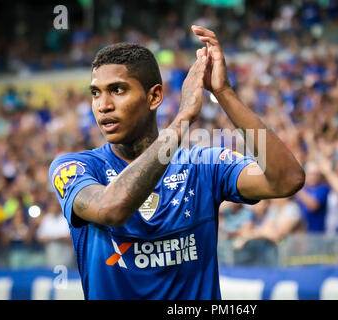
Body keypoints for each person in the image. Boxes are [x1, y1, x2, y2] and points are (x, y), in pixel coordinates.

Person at [48, 25, 305, 300]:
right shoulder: (73, 168)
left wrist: (224, 93)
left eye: (117, 90)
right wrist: (182, 119)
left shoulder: (202, 165)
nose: (103, 105)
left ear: (154, 96)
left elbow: (287, 180)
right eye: (96, 93)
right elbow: (112, 208)